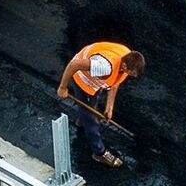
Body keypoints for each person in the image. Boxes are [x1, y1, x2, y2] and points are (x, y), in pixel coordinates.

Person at [56, 41, 145, 169]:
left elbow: (115, 82)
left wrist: (109, 107)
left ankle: (81, 120)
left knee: (90, 106)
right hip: (82, 79)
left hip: (95, 75)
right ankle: (99, 152)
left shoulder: (126, 56)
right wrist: (63, 87)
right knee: (92, 118)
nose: (133, 76)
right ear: (125, 66)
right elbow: (75, 64)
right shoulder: (104, 67)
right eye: (132, 73)